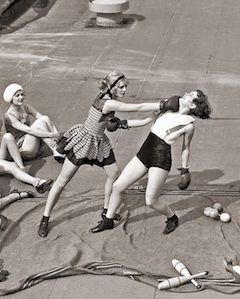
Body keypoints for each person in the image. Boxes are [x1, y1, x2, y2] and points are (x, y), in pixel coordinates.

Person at [37, 71, 163, 237]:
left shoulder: (107, 98)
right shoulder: (108, 103)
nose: (125, 90)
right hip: (83, 141)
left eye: (126, 87)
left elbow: (122, 123)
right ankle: (45, 218)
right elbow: (136, 108)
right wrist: (161, 105)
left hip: (98, 141)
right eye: (121, 87)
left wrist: (149, 119)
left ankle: (106, 209)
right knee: (62, 181)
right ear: (112, 87)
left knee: (114, 173)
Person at [91, 90, 212, 235]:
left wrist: (185, 169)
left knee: (151, 201)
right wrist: (123, 124)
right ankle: (108, 221)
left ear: (193, 105)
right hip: (145, 152)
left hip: (161, 159)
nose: (185, 93)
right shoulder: (169, 106)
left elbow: (186, 148)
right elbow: (146, 119)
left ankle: (172, 217)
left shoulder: (189, 125)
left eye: (190, 95)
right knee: (117, 186)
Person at [0, 101, 53, 194]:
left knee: (8, 136)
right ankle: (37, 183)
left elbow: (3, 141)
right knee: (12, 166)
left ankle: (21, 168)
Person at [3, 83, 65, 162]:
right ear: (11, 98)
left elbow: (44, 118)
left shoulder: (26, 107)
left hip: (33, 145)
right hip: (23, 150)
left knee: (44, 118)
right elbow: (29, 130)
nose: (21, 97)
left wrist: (55, 133)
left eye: (22, 95)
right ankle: (56, 151)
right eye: (17, 95)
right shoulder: (9, 116)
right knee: (39, 123)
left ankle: (56, 144)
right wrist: (51, 134)